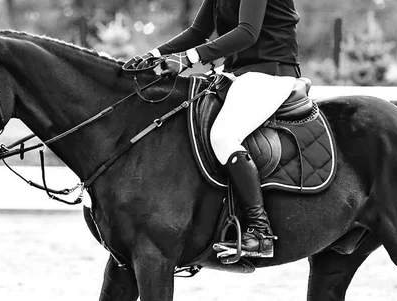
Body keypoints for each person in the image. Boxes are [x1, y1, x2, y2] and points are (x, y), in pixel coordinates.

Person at [126, 0, 302, 258]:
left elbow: (247, 32)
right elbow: (198, 31)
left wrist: (189, 58)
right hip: (236, 73)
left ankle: (261, 232)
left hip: (271, 73)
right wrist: (154, 54)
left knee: (223, 136)